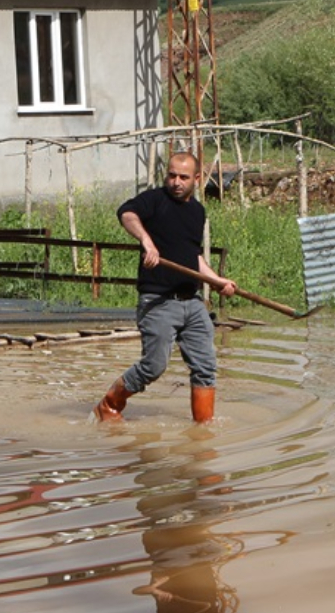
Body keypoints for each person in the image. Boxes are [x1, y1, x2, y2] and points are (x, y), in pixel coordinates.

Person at [93, 152, 237, 424]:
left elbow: (192, 258)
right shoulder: (154, 201)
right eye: (171, 175)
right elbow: (127, 213)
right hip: (158, 301)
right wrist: (147, 242)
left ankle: (203, 432)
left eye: (183, 177)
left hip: (192, 303)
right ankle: (109, 404)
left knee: (205, 367)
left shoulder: (197, 211)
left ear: (197, 179)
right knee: (154, 366)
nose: (176, 182)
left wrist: (217, 281)